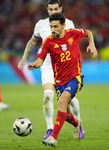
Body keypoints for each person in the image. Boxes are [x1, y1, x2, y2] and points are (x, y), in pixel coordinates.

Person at [27, 13, 98, 147]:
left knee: (62, 101)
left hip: (75, 77)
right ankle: (77, 124)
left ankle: (53, 137)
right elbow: (40, 60)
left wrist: (92, 45)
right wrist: (34, 65)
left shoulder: (73, 34)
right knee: (65, 115)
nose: (52, 29)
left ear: (63, 25)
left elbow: (88, 32)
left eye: (55, 27)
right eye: (51, 26)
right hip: (59, 82)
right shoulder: (48, 41)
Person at [18, 0, 84, 139]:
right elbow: (32, 41)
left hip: (64, 66)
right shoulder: (41, 24)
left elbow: (73, 44)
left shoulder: (68, 23)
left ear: (60, 8)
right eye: (50, 9)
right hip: (47, 66)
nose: (53, 12)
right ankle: (50, 129)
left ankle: (78, 122)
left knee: (69, 100)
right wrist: (24, 58)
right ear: (47, 10)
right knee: (48, 95)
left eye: (56, 9)